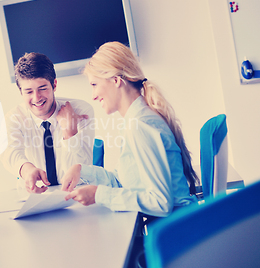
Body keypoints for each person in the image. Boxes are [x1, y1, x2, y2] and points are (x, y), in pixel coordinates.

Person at [62, 42, 199, 217]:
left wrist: (99, 195)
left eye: (94, 84)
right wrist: (81, 169)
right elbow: (123, 180)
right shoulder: (135, 120)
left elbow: (160, 202)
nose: (93, 95)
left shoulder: (140, 125)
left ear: (116, 81)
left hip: (175, 231)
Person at [2, 52, 95, 194]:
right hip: (35, 196)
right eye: (28, 92)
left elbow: (84, 165)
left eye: (42, 88)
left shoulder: (81, 110)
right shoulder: (14, 118)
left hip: (75, 194)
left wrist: (69, 131)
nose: (36, 98)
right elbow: (11, 153)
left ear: (54, 84)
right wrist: (27, 170)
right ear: (20, 92)